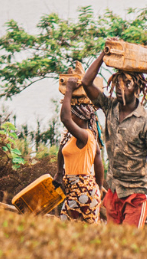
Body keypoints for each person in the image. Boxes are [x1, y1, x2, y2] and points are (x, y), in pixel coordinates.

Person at [81, 47, 147, 227]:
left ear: (137, 88)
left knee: (128, 242)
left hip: (138, 194)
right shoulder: (110, 107)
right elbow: (86, 82)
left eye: (127, 84)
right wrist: (104, 54)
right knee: (114, 245)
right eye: (118, 83)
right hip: (114, 190)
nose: (120, 88)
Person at [55, 76, 104, 224]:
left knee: (68, 232)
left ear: (80, 117)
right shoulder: (76, 138)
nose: (69, 116)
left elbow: (64, 118)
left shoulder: (85, 136)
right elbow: (99, 161)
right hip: (80, 190)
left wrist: (69, 89)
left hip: (82, 189)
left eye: (72, 114)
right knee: (77, 236)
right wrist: (59, 172)